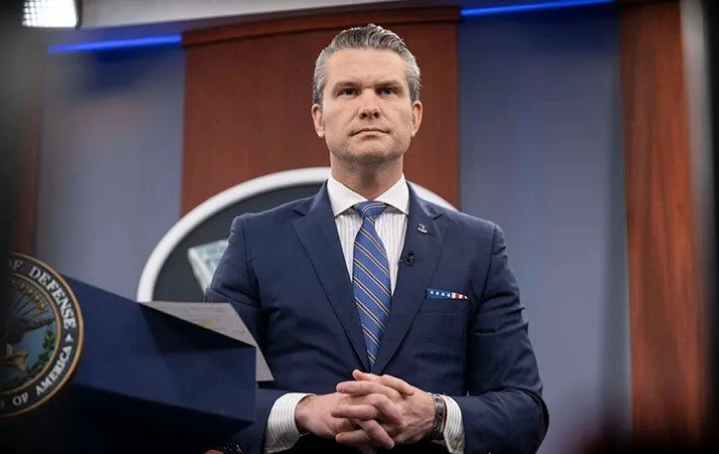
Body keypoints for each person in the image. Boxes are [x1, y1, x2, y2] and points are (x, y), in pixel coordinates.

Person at [205, 23, 548, 454]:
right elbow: (205, 393)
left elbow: (525, 410)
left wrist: (435, 414)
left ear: (415, 116)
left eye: (387, 91)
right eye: (348, 91)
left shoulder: (477, 246)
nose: (369, 107)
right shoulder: (255, 241)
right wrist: (302, 411)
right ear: (318, 119)